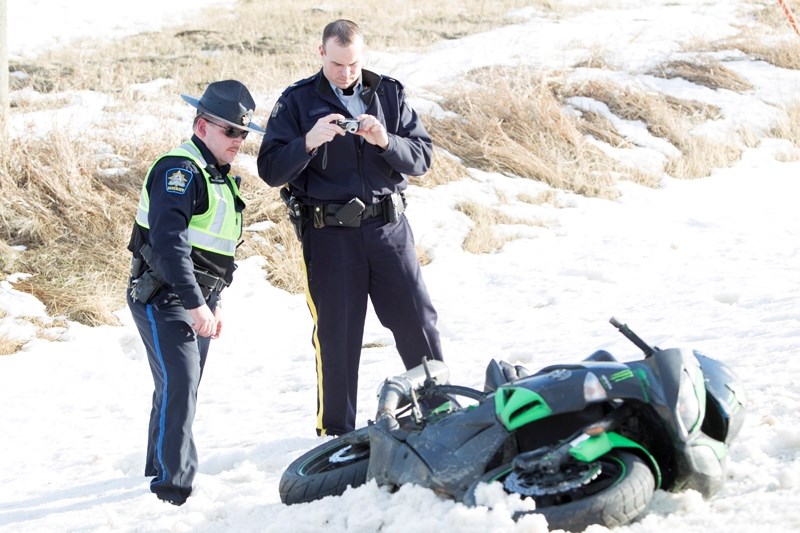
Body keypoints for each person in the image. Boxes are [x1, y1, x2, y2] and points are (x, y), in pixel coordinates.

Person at [257, 19, 443, 437]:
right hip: (330, 237)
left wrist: (385, 141)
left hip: (389, 230)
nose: (346, 73)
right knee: (337, 337)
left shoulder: (389, 93)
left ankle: (439, 410)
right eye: (338, 64)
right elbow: (270, 170)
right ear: (321, 53)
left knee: (418, 321)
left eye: (353, 64)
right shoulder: (297, 101)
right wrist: (307, 141)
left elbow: (422, 159)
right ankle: (337, 435)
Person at [126, 79, 264, 505]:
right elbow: (169, 246)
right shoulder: (180, 171)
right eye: (230, 130)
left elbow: (214, 253)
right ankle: (173, 487)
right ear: (202, 125)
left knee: (176, 384)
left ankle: (157, 467)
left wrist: (212, 302)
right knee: (181, 383)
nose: (239, 140)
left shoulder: (217, 176)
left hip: (195, 298)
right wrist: (195, 303)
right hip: (164, 294)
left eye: (243, 132)